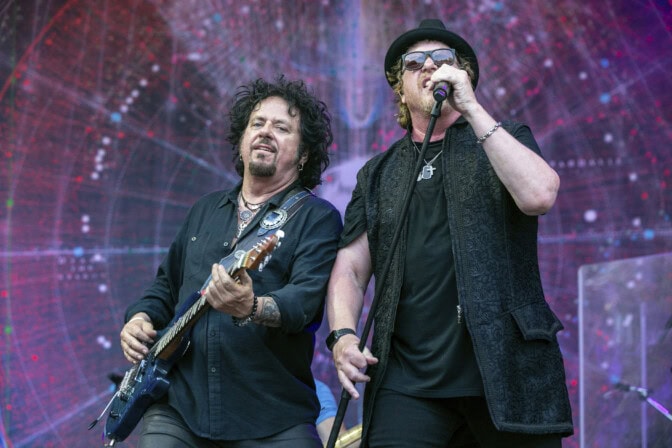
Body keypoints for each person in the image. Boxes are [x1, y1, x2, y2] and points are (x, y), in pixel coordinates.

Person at [325, 19, 574, 447]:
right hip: (407, 382)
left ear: (464, 76)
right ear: (400, 88)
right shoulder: (377, 173)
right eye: (414, 62)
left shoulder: (506, 139)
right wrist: (343, 335)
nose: (429, 67)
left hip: (506, 371)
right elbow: (350, 267)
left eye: (442, 59)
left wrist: (472, 109)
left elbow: (539, 195)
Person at [120, 75, 343, 447]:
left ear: (304, 153)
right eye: (257, 124)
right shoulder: (205, 209)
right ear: (242, 141)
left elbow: (304, 301)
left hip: (272, 415)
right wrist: (139, 318)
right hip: (180, 407)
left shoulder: (316, 218)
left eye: (282, 128)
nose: (265, 132)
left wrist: (252, 307)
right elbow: (166, 287)